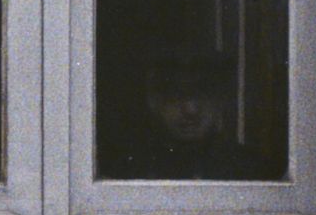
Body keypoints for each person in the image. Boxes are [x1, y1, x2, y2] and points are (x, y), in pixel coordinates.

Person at [107, 49, 276, 180]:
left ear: (220, 100)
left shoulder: (249, 169)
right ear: (154, 100)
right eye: (177, 95)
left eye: (202, 95)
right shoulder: (128, 170)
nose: (191, 109)